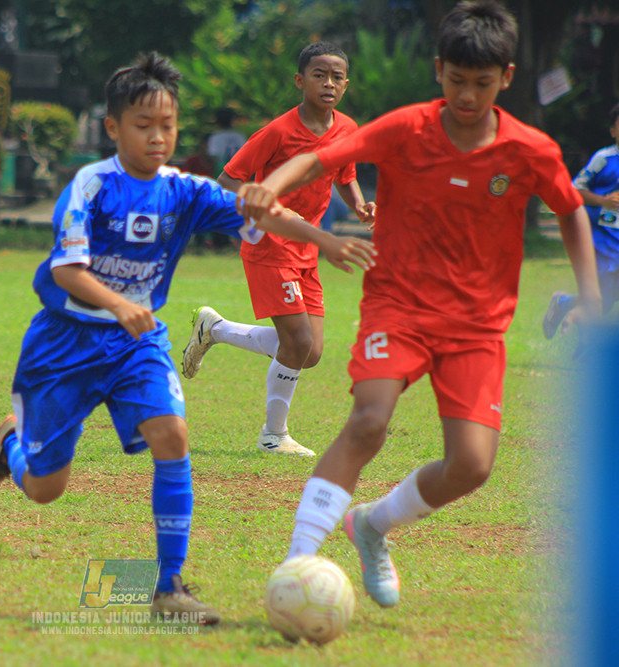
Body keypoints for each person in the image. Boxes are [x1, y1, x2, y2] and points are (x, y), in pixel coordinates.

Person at [0, 52, 375, 625]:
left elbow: (253, 210)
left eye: (168, 126)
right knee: (45, 488)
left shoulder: (181, 189)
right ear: (113, 128)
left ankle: (167, 591)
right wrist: (117, 303)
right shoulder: (91, 185)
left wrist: (323, 240)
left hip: (137, 344)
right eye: (143, 126)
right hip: (66, 343)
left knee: (173, 435)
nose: (158, 137)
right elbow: (65, 271)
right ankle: (11, 443)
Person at [240, 0, 600, 609]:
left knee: (473, 465)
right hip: (398, 305)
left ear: (506, 78)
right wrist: (268, 187)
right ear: (439, 70)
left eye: (482, 84)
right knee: (368, 420)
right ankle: (298, 560)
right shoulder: (405, 127)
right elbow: (316, 159)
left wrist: (590, 299)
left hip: (477, 324)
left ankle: (373, 523)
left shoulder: (529, 148)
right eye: (456, 80)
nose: (467, 95)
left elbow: (569, 212)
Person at [182, 42, 375, 457]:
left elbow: (345, 172)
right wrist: (275, 208)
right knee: (298, 340)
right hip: (269, 242)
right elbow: (229, 180)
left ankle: (214, 329)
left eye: (337, 76)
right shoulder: (278, 132)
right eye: (319, 74)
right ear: (300, 80)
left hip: (307, 247)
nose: (328, 83)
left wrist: (358, 202)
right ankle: (273, 435)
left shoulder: (348, 129)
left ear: (346, 85)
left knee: (310, 352)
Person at [543, 102, 619, 340]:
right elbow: (575, 189)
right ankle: (564, 303)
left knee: (607, 297)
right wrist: (602, 200)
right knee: (603, 300)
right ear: (613, 130)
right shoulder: (603, 159)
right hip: (604, 240)